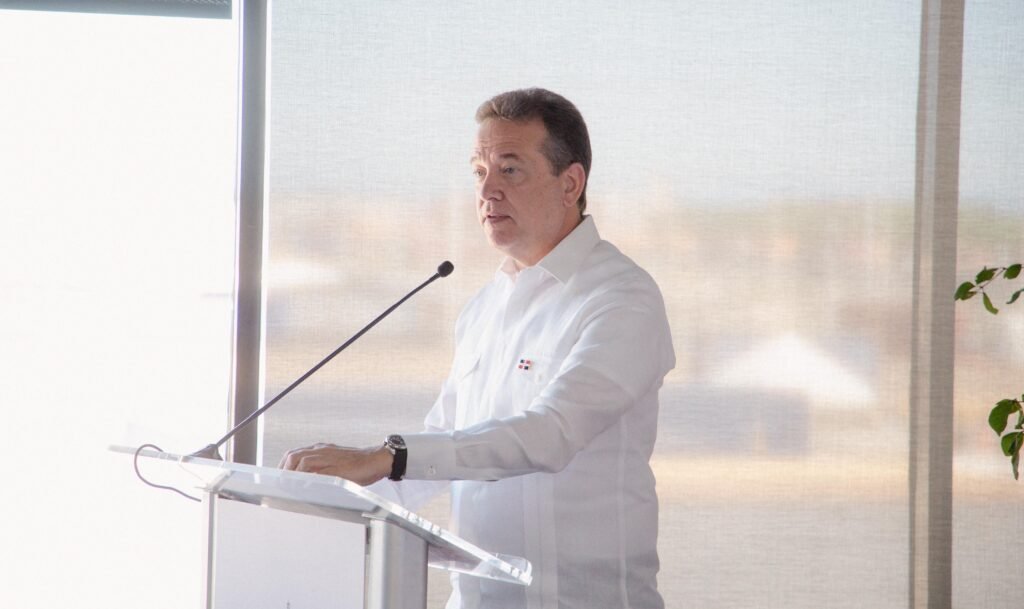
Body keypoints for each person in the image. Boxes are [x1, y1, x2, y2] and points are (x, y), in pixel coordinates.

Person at [281, 87, 675, 609]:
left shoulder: (622, 297)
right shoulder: (484, 307)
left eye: (510, 169)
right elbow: (442, 448)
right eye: (478, 172)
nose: (487, 191)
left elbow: (550, 434)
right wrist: (323, 497)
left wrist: (387, 456)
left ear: (570, 183)